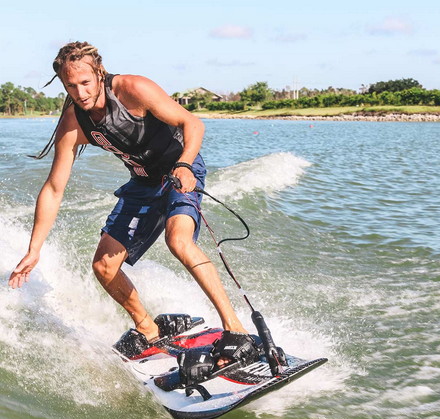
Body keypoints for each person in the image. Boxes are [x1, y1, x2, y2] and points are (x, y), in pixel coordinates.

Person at [8, 41, 259, 366]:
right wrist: (34, 249)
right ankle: (147, 328)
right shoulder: (74, 122)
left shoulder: (133, 89)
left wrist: (184, 164)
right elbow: (54, 188)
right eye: (71, 85)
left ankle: (236, 332)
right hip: (143, 183)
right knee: (104, 265)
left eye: (85, 83)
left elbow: (192, 123)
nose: (80, 92)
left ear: (99, 73)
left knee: (178, 240)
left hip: (180, 168)